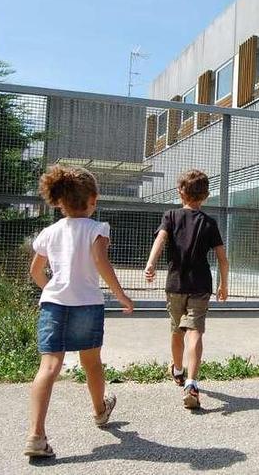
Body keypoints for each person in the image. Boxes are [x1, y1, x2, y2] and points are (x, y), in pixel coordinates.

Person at [24, 165, 134, 458]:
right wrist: (120, 294)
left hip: (53, 304)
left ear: (60, 202)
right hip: (87, 303)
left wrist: (51, 288)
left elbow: (36, 271)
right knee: (92, 363)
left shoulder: (50, 232)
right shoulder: (98, 229)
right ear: (93, 200)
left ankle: (36, 436)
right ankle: (100, 411)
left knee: (48, 367)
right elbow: (99, 260)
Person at [144, 169, 229, 409]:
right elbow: (223, 259)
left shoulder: (170, 216)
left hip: (176, 284)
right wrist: (224, 284)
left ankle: (178, 369)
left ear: (180, 192)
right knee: (195, 332)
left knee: (176, 330)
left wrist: (151, 264)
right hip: (201, 285)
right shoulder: (210, 223)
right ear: (206, 195)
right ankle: (191, 382)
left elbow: (160, 239)